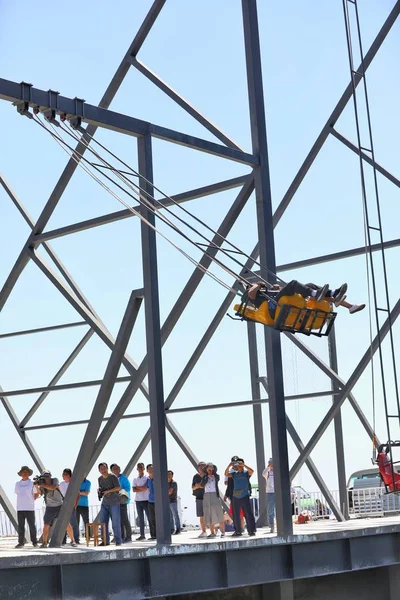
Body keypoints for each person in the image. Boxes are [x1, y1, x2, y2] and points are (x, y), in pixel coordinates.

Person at [248, 280, 365, 315]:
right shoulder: (253, 295)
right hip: (272, 307)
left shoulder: (265, 292)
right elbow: (250, 294)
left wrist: (274, 289)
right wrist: (256, 284)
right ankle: (316, 294)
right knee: (293, 283)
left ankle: (345, 303)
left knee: (309, 286)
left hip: (278, 302)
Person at [37, 469, 77, 548]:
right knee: (46, 525)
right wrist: (36, 485)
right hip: (49, 507)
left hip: (59, 505)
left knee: (66, 524)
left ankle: (73, 540)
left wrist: (42, 485)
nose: (46, 478)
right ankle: (44, 543)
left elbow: (53, 487)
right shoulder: (43, 484)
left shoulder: (54, 480)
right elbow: (40, 493)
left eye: (47, 476)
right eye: (45, 476)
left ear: (50, 476)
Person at [224, 458, 256, 537]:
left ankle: (251, 530)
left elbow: (252, 471)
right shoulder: (234, 474)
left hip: (245, 495)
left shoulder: (246, 473)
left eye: (239, 464)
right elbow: (226, 474)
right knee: (236, 515)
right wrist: (229, 465)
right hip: (236, 496)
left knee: (248, 514)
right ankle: (238, 531)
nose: (238, 466)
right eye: (237, 465)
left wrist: (244, 465)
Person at [97, 462, 122, 546]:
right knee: (103, 522)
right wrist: (99, 490)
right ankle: (105, 541)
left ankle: (118, 541)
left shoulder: (113, 477)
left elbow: (118, 487)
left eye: (104, 468)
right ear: (99, 470)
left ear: (107, 468)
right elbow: (102, 488)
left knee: (115, 523)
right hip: (104, 503)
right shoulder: (99, 479)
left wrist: (108, 491)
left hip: (114, 502)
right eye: (101, 469)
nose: (103, 470)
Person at [14, 466, 38, 548]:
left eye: (26, 472)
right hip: (20, 508)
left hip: (29, 507)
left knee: (32, 525)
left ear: (29, 474)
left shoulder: (32, 483)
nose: (24, 474)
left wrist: (31, 500)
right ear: (21, 474)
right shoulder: (17, 484)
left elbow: (36, 493)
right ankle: (21, 542)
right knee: (21, 526)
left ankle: (34, 542)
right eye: (23, 472)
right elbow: (17, 493)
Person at [201, 463, 225, 539]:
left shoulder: (216, 476)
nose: (210, 470)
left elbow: (217, 479)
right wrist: (206, 477)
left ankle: (223, 532)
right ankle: (212, 532)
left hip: (215, 494)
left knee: (219, 513)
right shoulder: (204, 477)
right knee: (209, 513)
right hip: (207, 495)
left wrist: (212, 473)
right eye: (208, 468)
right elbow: (202, 485)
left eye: (211, 468)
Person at [110, 463, 132, 543]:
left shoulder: (124, 478)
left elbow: (128, 488)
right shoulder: (111, 478)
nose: (116, 470)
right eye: (114, 469)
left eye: (117, 468)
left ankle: (129, 537)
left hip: (122, 501)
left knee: (124, 519)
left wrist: (119, 490)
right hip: (114, 502)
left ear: (120, 470)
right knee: (117, 520)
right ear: (111, 471)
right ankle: (121, 536)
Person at [59, 468, 80, 544]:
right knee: (63, 523)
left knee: (73, 523)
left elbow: (78, 495)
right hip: (63, 504)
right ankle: (63, 540)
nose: (64, 476)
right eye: (63, 474)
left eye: (66, 474)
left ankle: (76, 539)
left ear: (70, 475)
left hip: (71, 505)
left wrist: (75, 505)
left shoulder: (73, 484)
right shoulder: (61, 484)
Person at [132, 462, 149, 541]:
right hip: (138, 500)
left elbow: (145, 487)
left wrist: (139, 488)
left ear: (144, 468)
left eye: (141, 467)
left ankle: (154, 534)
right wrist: (141, 488)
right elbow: (134, 489)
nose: (140, 469)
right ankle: (142, 535)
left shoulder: (147, 478)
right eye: (139, 467)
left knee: (150, 517)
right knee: (141, 519)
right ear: (137, 469)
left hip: (146, 500)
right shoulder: (135, 479)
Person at [192, 461, 207, 538]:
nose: (201, 467)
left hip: (208, 497)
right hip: (199, 497)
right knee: (201, 515)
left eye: (203, 466)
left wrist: (199, 486)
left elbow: (205, 486)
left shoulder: (208, 476)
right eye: (200, 466)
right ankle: (204, 531)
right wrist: (198, 486)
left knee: (210, 514)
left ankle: (213, 530)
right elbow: (193, 487)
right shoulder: (196, 477)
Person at [263, 459, 275, 534]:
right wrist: (268, 467)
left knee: (280, 509)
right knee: (270, 510)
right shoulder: (268, 473)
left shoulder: (278, 472)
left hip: (277, 492)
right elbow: (263, 473)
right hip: (270, 492)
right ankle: (272, 526)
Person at [167, 470, 181, 535]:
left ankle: (178, 529)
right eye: (168, 474)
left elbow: (169, 492)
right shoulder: (165, 483)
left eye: (170, 474)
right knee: (170, 516)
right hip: (167, 502)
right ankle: (171, 529)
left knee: (175, 515)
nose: (169, 476)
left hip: (173, 501)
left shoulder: (174, 483)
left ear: (172, 475)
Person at [146, 464, 156, 540]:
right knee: (151, 518)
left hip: (157, 501)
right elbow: (148, 488)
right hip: (150, 501)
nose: (151, 470)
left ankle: (160, 534)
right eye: (149, 469)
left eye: (152, 469)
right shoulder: (148, 480)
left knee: (158, 518)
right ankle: (153, 535)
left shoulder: (157, 478)